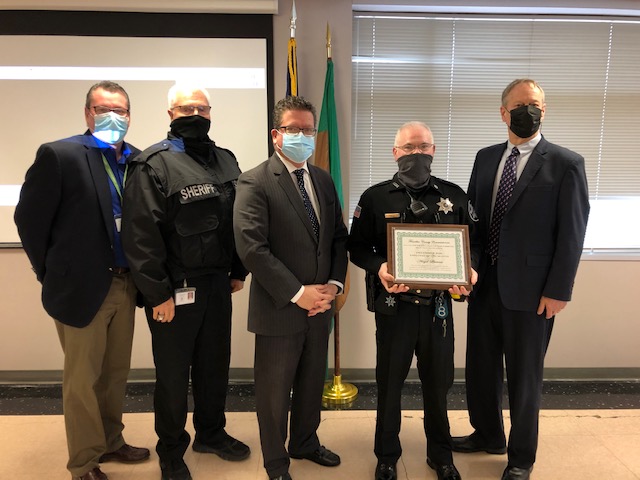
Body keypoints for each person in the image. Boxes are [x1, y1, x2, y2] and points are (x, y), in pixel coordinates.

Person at [452, 79, 590, 480]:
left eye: (535, 105)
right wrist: (467, 269)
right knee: (479, 367)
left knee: (525, 377)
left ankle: (520, 457)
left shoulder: (566, 163)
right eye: (519, 105)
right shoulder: (484, 157)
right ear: (502, 112)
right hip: (484, 285)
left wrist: (558, 290)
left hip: (533, 294)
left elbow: (572, 233)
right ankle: (488, 434)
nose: (527, 112)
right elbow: (473, 223)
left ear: (544, 111)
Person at [14, 81, 150, 480]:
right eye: (104, 109)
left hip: (126, 284)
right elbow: (29, 220)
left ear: (130, 115)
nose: (114, 117)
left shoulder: (139, 160)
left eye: (121, 110)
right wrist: (50, 271)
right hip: (82, 287)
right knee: (81, 381)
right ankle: (84, 461)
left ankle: (111, 440)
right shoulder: (60, 155)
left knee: (115, 373)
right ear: (88, 113)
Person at [121, 84, 250, 480]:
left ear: (210, 112)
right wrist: (157, 293)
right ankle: (172, 448)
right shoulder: (153, 164)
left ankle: (211, 432)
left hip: (216, 285)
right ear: (170, 114)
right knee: (174, 374)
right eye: (185, 107)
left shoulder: (226, 160)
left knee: (215, 366)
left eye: (200, 107)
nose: (194, 113)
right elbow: (141, 237)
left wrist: (236, 270)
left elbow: (236, 221)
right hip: (174, 290)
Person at [347, 121, 476, 480]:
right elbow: (357, 248)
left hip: (439, 310)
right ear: (395, 153)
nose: (416, 154)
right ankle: (387, 455)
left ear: (433, 151)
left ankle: (441, 455)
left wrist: (471, 271)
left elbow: (474, 245)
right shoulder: (374, 198)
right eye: (408, 148)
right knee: (389, 385)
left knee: (439, 384)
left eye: (423, 147)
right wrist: (382, 267)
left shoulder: (455, 196)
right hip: (394, 309)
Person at [233, 96, 348, 480]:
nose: (302, 136)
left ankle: (304, 442)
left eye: (308, 130)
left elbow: (336, 238)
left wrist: (332, 287)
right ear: (276, 135)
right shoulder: (255, 180)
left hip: (320, 308)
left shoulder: (322, 179)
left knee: (312, 382)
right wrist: (300, 294)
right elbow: (252, 248)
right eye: (293, 129)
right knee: (273, 394)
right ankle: (276, 462)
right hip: (280, 308)